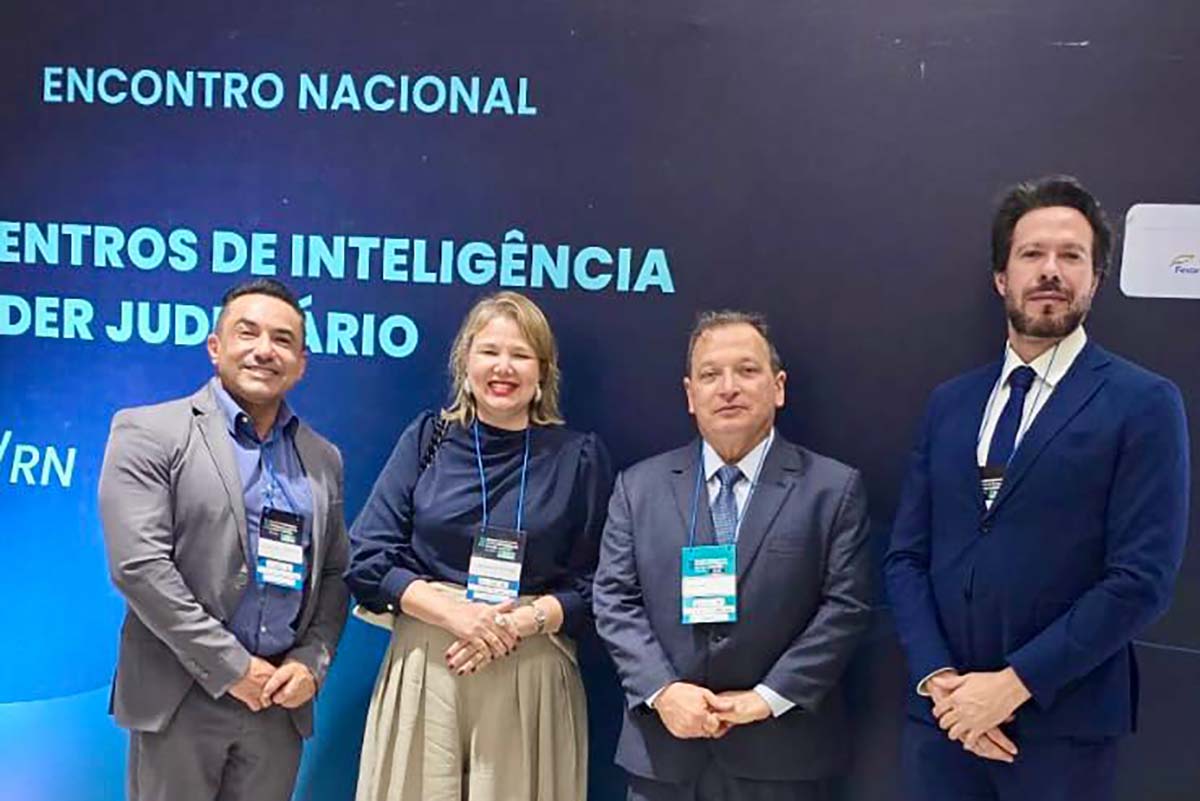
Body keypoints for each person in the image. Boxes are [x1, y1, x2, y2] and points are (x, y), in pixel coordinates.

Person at [884, 175, 1190, 801]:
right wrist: (940, 681)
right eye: (1032, 254)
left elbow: (1141, 580)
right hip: (942, 725)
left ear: (1096, 280)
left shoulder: (1144, 403)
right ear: (1001, 277)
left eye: (1071, 256)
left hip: (1063, 730)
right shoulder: (951, 404)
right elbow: (906, 556)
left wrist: (1010, 685)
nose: (1050, 271)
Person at [593, 310, 872, 801]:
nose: (728, 388)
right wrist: (664, 692)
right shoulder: (638, 487)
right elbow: (614, 600)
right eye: (710, 374)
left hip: (782, 757)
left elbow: (845, 608)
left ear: (778, 387)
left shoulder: (832, 489)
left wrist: (765, 700)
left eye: (747, 370)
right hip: (665, 755)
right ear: (689, 394)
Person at [346, 290, 613, 801]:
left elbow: (602, 584)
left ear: (543, 371)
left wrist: (516, 623)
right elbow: (367, 558)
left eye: (520, 354)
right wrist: (456, 615)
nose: (503, 367)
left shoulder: (579, 457)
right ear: (465, 361)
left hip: (529, 664)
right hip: (429, 660)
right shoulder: (428, 440)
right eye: (489, 351)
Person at [98, 278, 350, 801]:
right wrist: (232, 668)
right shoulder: (150, 432)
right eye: (248, 333)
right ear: (216, 348)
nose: (265, 350)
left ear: (301, 363)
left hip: (278, 706)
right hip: (182, 695)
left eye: (283, 340)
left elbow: (332, 575)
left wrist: (310, 663)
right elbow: (139, 568)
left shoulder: (323, 458)